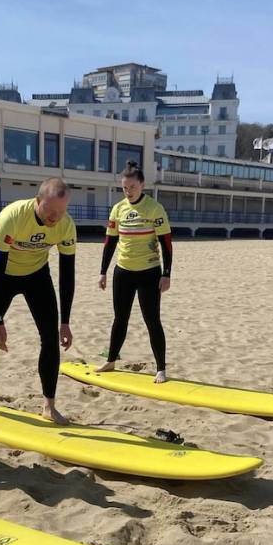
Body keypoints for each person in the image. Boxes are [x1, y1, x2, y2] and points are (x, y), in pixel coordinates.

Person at [0, 178, 76, 424]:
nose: (55, 217)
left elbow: (67, 275)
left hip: (37, 277)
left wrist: (65, 321)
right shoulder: (12, 217)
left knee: (50, 338)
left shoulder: (66, 226)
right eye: (50, 210)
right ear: (37, 201)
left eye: (61, 212)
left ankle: (48, 406)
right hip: (4, 277)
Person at [96, 160, 172, 383]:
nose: (128, 192)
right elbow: (110, 243)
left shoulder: (154, 209)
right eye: (124, 188)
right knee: (120, 319)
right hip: (123, 272)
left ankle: (161, 369)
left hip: (149, 273)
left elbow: (166, 243)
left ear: (142, 185)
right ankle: (110, 360)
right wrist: (103, 272)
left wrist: (166, 274)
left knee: (152, 320)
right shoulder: (118, 209)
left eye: (132, 187)